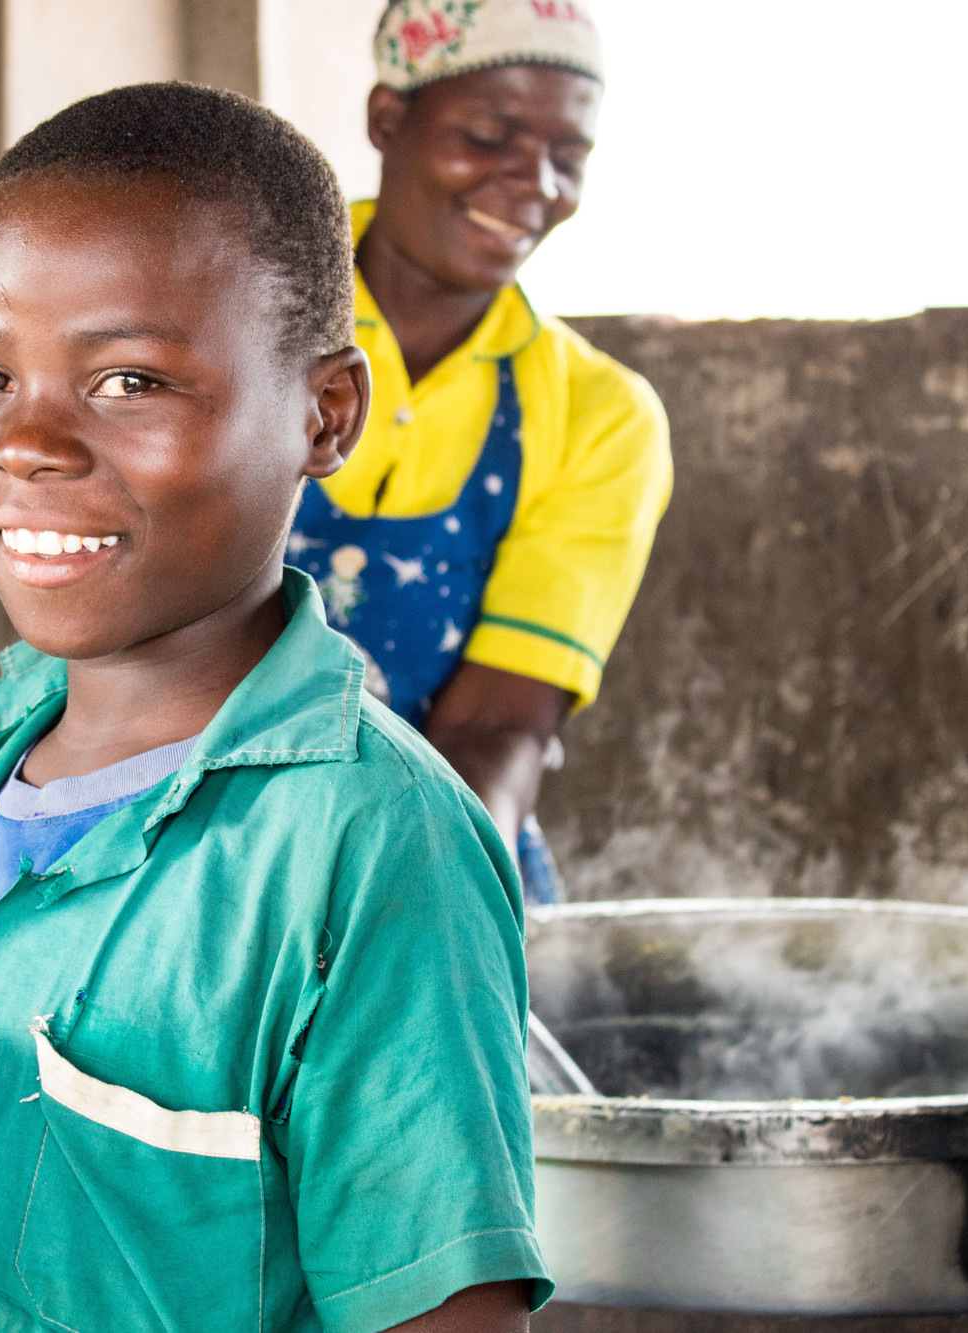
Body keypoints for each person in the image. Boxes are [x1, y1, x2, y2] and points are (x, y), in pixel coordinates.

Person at [0, 84, 549, 1332]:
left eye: (129, 382)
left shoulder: (370, 846)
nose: (28, 440)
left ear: (323, 414)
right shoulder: (14, 740)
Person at [287, 0, 672, 903]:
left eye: (568, 158)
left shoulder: (598, 414)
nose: (532, 182)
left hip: (442, 838)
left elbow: (501, 724)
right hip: (176, 831)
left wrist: (439, 905)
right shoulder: (233, 313)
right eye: (490, 133)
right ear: (389, 120)